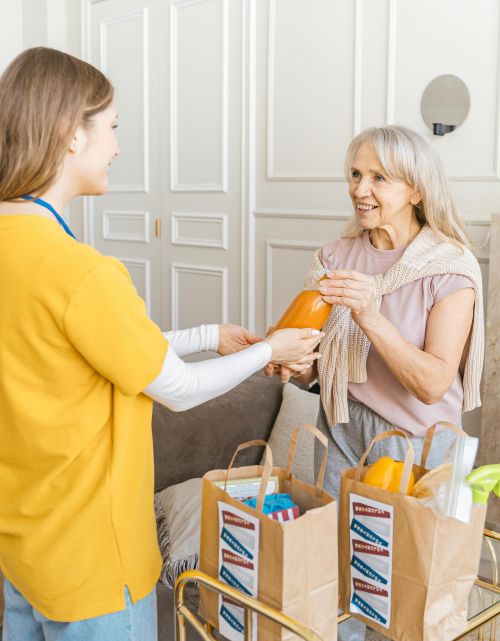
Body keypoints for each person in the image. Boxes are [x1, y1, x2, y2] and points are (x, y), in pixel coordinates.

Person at [0, 47, 322, 641]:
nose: (118, 148)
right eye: (113, 128)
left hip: (20, 550)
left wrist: (210, 336)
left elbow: (91, 346)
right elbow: (176, 388)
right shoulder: (80, 272)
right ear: (72, 135)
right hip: (93, 557)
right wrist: (269, 351)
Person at [269, 125, 484, 640]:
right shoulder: (334, 258)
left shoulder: (449, 268)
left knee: (402, 590)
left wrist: (371, 313)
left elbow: (433, 384)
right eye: (356, 174)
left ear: (415, 190)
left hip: (417, 443)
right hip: (342, 427)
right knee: (337, 574)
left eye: (379, 178)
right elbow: (323, 361)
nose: (360, 189)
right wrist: (298, 364)